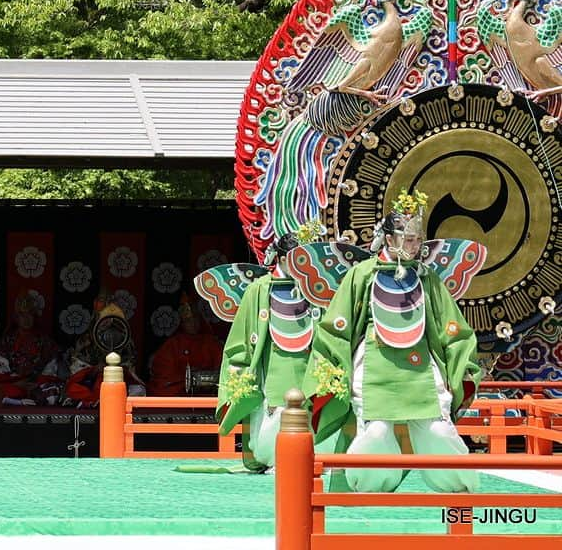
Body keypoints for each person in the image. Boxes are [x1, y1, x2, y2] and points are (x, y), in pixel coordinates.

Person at [303, 191, 482, 493]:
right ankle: (370, 491)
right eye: (407, 239)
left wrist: (460, 367)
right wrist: (331, 370)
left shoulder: (427, 277)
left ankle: (461, 491)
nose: (414, 246)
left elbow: (453, 330)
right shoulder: (361, 274)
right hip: (374, 367)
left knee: (437, 430)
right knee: (375, 432)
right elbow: (335, 327)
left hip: (421, 369)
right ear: (388, 238)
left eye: (417, 239)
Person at [215, 229, 323, 470]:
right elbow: (241, 338)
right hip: (272, 365)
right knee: (270, 435)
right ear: (283, 259)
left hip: (310, 366)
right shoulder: (260, 289)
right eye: (298, 258)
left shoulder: (317, 288)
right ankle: (277, 459)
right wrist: (240, 370)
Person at [63, 293, 146, 406]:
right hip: (92, 380)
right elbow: (77, 365)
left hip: (118, 378)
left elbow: (130, 363)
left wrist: (117, 368)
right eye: (102, 300)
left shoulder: (124, 337)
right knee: (74, 389)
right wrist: (95, 369)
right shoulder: (87, 338)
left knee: (138, 390)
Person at [0, 290, 63, 405]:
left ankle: (20, 399)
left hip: (37, 384)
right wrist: (16, 382)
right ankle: (17, 399)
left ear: (35, 316)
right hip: (14, 383)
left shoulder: (45, 341)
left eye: (30, 314)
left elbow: (51, 369)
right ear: (16, 317)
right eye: (22, 315)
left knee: (57, 387)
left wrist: (35, 383)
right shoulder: (7, 341)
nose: (26, 319)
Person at [148, 295, 224, 397]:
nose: (193, 324)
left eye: (195, 319)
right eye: (188, 321)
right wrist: (183, 379)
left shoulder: (210, 342)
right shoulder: (173, 344)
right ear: (182, 323)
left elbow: (221, 367)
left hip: (208, 387)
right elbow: (163, 373)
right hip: (180, 387)